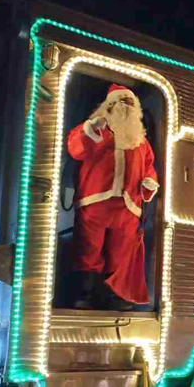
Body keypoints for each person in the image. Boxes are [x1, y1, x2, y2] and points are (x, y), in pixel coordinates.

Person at [66, 84, 159, 310]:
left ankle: (115, 297)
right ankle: (86, 294)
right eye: (120, 102)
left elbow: (148, 167)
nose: (124, 107)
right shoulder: (95, 130)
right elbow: (75, 149)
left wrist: (149, 183)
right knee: (89, 248)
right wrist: (90, 128)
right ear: (108, 106)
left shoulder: (141, 142)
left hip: (128, 207)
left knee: (121, 253)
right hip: (95, 200)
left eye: (128, 103)